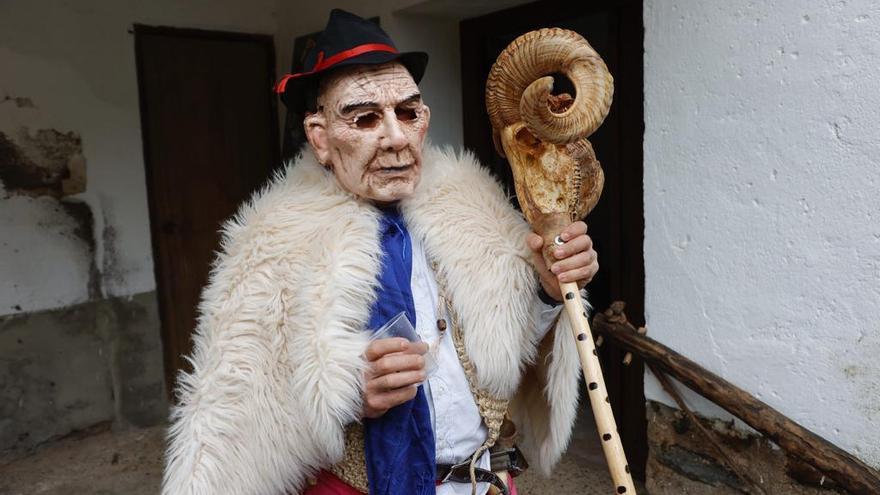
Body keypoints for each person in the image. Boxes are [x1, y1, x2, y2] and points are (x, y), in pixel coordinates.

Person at [162, 9, 598, 495]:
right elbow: (243, 411)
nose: (395, 137)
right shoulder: (272, 242)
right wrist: (343, 393)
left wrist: (545, 290)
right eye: (365, 117)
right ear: (320, 138)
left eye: (408, 113)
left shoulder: (474, 206)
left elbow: (511, 353)